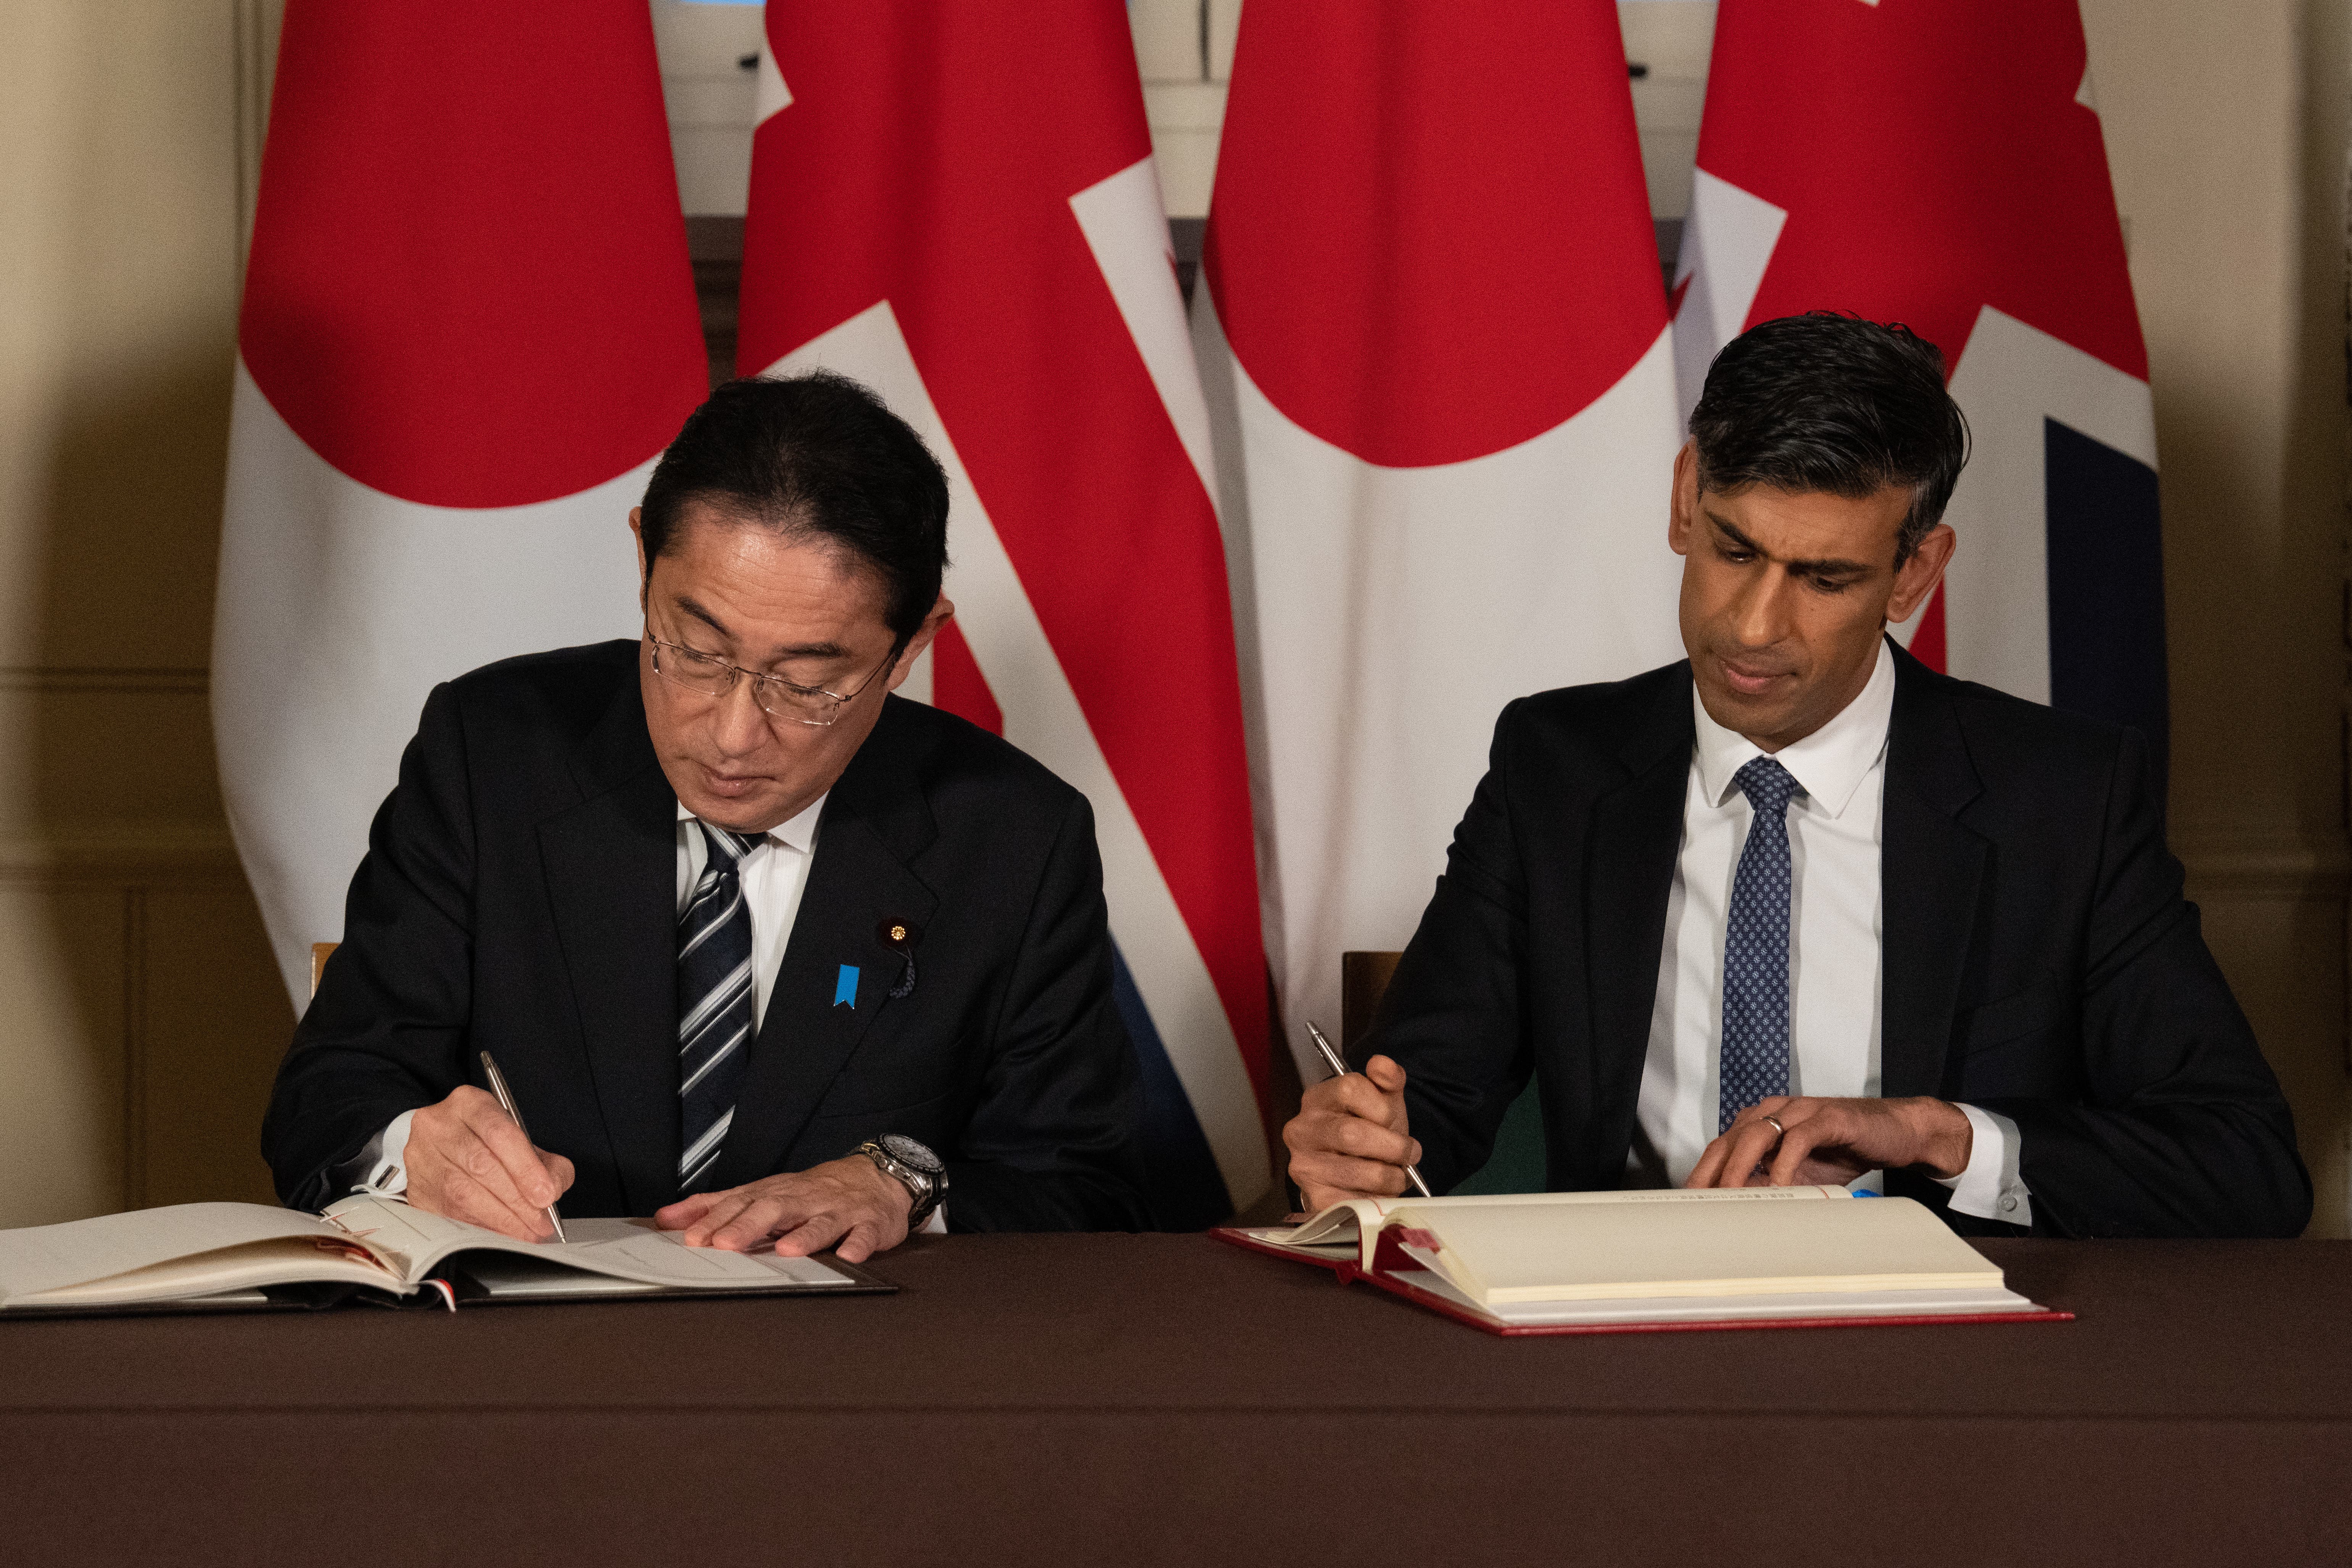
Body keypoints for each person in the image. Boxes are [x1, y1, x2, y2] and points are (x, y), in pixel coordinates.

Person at [1283, 312, 2311, 1239]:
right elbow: (1426, 1098)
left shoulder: (2063, 799)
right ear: (1686, 497)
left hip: (1942, 1376)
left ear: (1912, 572)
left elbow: (2243, 1165)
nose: (1752, 626)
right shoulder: (1554, 763)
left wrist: (1933, 1132)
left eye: (1823, 578)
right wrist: (1363, 1137)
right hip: (1620, 1345)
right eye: (1734, 551)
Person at [263, 372, 1149, 1260]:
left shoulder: (1011, 840)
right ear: (645, 558)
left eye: (807, 686)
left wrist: (904, 1184)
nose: (731, 735)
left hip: (855, 1375)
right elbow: (330, 1097)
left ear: (913, 643)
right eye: (694, 652)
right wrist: (408, 1150)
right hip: (525, 1356)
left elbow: (1086, 1183)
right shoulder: (493, 757)